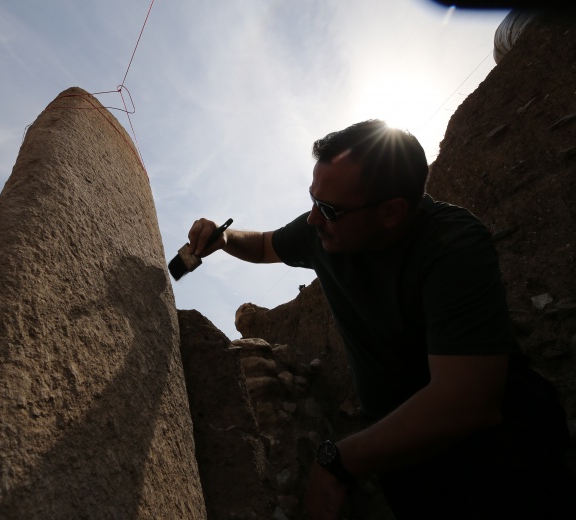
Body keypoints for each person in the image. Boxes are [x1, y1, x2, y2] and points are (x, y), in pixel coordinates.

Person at [186, 120, 574, 519]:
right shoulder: (322, 231)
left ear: (392, 212)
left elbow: (467, 401)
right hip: (401, 462)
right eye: (312, 200)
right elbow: (266, 245)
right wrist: (224, 238)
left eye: (330, 209)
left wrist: (334, 461)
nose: (313, 219)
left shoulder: (452, 243)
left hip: (498, 454)